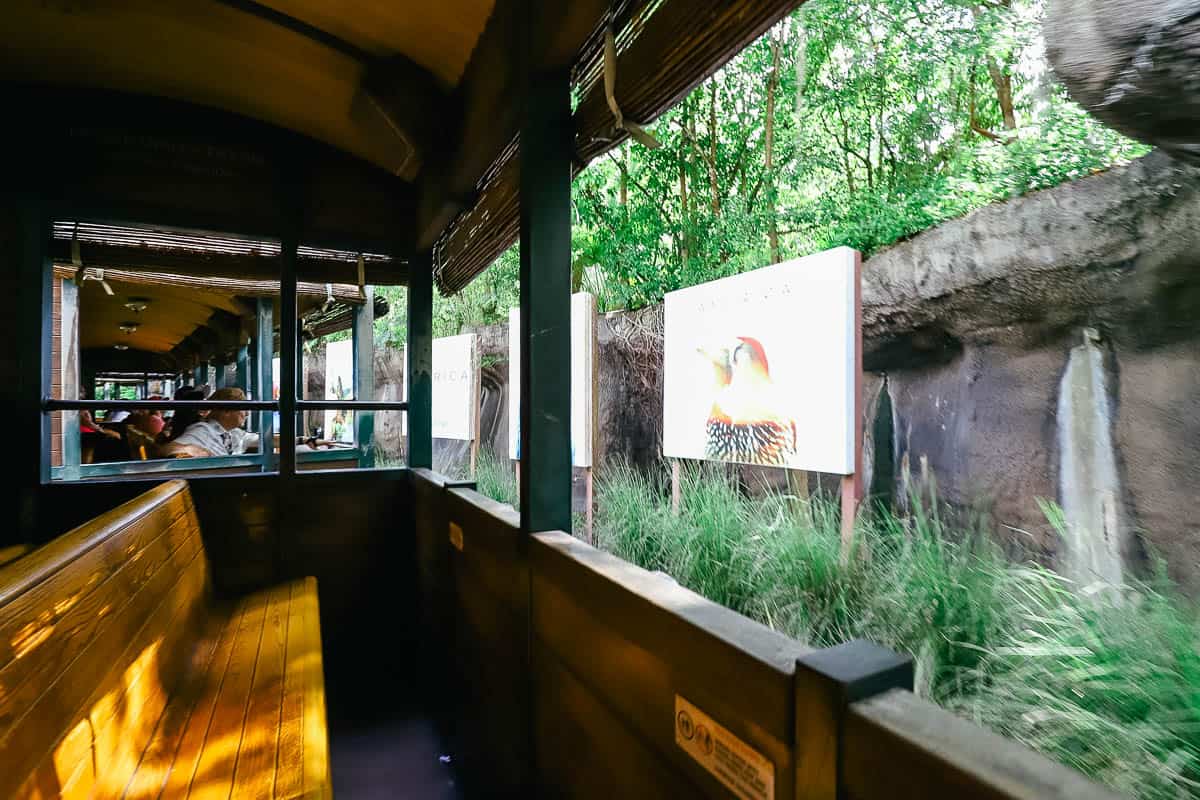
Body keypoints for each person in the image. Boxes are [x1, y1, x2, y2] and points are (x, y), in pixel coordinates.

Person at [159, 387, 257, 457]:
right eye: (243, 409)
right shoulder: (202, 430)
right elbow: (167, 449)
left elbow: (261, 439)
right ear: (226, 412)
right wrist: (190, 449)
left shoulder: (233, 433)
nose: (247, 414)